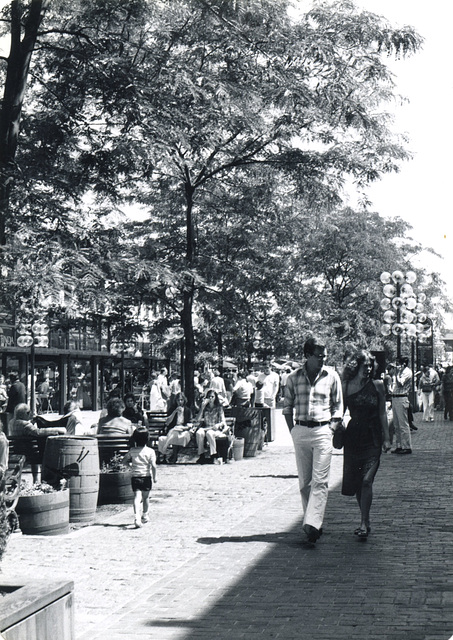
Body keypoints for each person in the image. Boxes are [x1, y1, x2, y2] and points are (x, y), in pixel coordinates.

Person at [283, 337, 343, 548]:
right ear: (307, 356)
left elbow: (338, 405)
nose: (323, 359)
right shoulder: (292, 377)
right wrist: (293, 430)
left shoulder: (332, 376)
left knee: (320, 480)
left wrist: (332, 427)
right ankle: (312, 520)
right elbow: (287, 406)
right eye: (319, 356)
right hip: (301, 430)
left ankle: (313, 524)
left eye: (325, 355)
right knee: (305, 481)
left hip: (323, 430)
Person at [341, 350, 391, 539]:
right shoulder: (346, 386)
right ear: (356, 366)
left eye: (371, 366)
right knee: (357, 481)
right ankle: (365, 519)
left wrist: (387, 438)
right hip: (353, 437)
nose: (369, 369)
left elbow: (382, 413)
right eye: (365, 365)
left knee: (367, 480)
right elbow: (340, 412)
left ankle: (363, 523)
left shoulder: (377, 385)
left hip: (373, 436)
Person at [9, 403, 67, 482]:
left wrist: (31, 423)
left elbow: (24, 430)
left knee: (33, 451)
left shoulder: (11, 423)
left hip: (17, 450)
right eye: (28, 412)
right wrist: (57, 430)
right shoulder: (25, 424)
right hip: (29, 453)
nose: (30, 414)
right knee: (40, 454)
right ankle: (36, 480)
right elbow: (38, 432)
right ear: (23, 414)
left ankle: (34, 479)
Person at [122, 427, 157, 529]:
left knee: (137, 497)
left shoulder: (132, 451)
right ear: (147, 438)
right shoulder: (150, 451)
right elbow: (154, 466)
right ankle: (145, 515)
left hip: (135, 477)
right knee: (146, 497)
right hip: (146, 477)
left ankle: (137, 516)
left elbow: (124, 461)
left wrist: (131, 466)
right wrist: (155, 477)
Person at [157, 392, 193, 464]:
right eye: (178, 400)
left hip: (183, 430)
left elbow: (190, 422)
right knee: (175, 432)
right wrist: (174, 412)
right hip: (173, 429)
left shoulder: (187, 410)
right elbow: (167, 422)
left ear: (184, 400)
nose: (180, 402)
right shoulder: (172, 409)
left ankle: (168, 451)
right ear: (175, 401)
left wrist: (185, 427)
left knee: (179, 435)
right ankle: (174, 456)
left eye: (181, 400)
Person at [194, 389, 228, 464]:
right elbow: (197, 420)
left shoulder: (219, 408)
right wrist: (202, 408)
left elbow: (223, 421)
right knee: (199, 433)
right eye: (209, 397)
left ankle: (213, 455)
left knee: (209, 433)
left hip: (215, 429)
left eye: (212, 397)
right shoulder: (205, 408)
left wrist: (218, 425)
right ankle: (201, 455)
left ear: (215, 397)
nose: (210, 398)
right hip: (206, 427)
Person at [391, 356, 413, 454]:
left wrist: (396, 373)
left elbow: (400, 384)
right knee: (396, 425)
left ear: (403, 364)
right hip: (395, 397)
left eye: (398, 363)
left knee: (403, 424)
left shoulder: (407, 372)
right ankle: (399, 445)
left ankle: (407, 446)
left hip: (402, 397)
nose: (397, 366)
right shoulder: (400, 372)